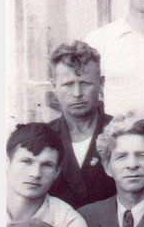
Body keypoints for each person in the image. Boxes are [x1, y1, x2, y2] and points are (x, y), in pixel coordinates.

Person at [6, 123, 91, 227]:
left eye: (47, 165)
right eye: (26, 161)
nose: (35, 173)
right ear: (7, 162)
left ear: (58, 171)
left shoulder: (69, 223)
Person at [46, 41, 116, 209]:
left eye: (85, 83)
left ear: (101, 83)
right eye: (68, 84)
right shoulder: (45, 136)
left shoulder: (119, 132)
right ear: (54, 86)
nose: (77, 93)